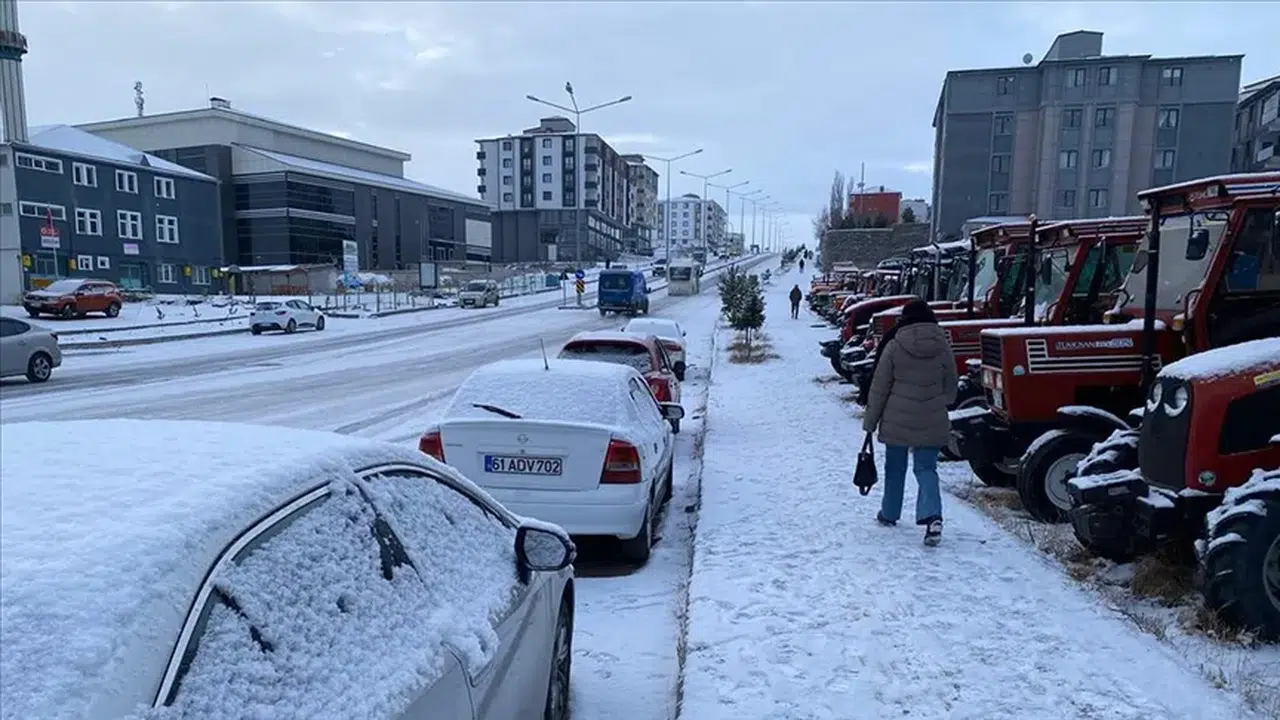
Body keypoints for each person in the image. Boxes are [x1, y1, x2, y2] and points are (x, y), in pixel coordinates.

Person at [860, 299, 958, 546]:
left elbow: (879, 388)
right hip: (932, 416)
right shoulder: (942, 344)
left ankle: (890, 513)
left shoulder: (894, 345)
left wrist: (870, 423)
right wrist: (937, 400)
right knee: (926, 468)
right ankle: (932, 516)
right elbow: (952, 387)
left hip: (897, 417)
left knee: (895, 467)